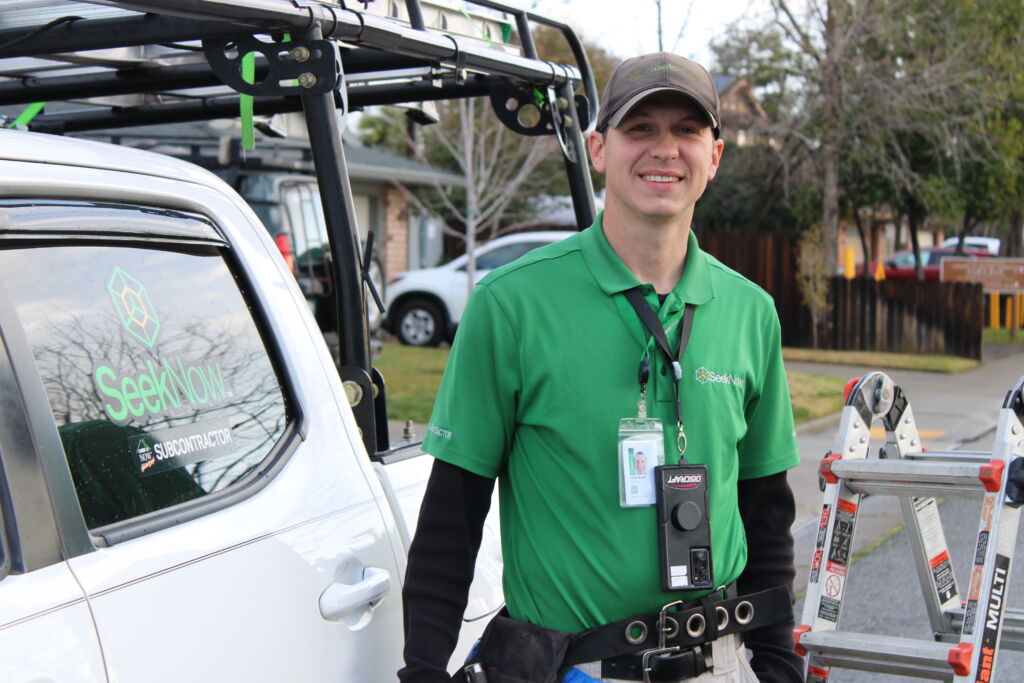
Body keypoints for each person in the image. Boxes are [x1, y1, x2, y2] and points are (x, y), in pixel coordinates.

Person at [399, 52, 803, 683]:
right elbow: (452, 515)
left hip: (719, 663)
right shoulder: (511, 306)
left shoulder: (752, 312)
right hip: (574, 667)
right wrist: (423, 667)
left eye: (687, 131)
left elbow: (767, 512)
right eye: (640, 129)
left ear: (715, 157)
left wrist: (778, 663)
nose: (664, 150)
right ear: (597, 149)